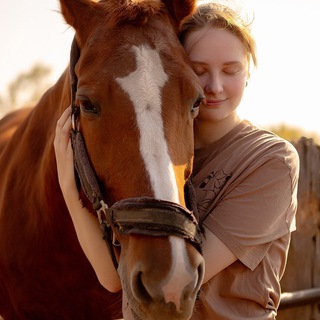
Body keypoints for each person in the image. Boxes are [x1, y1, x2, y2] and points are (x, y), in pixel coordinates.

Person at [54, 2, 299, 319]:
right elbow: (115, 278)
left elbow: (171, 281)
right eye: (199, 69)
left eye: (230, 69)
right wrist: (68, 183)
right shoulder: (157, 155)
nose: (214, 86)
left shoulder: (272, 161)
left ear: (248, 72)